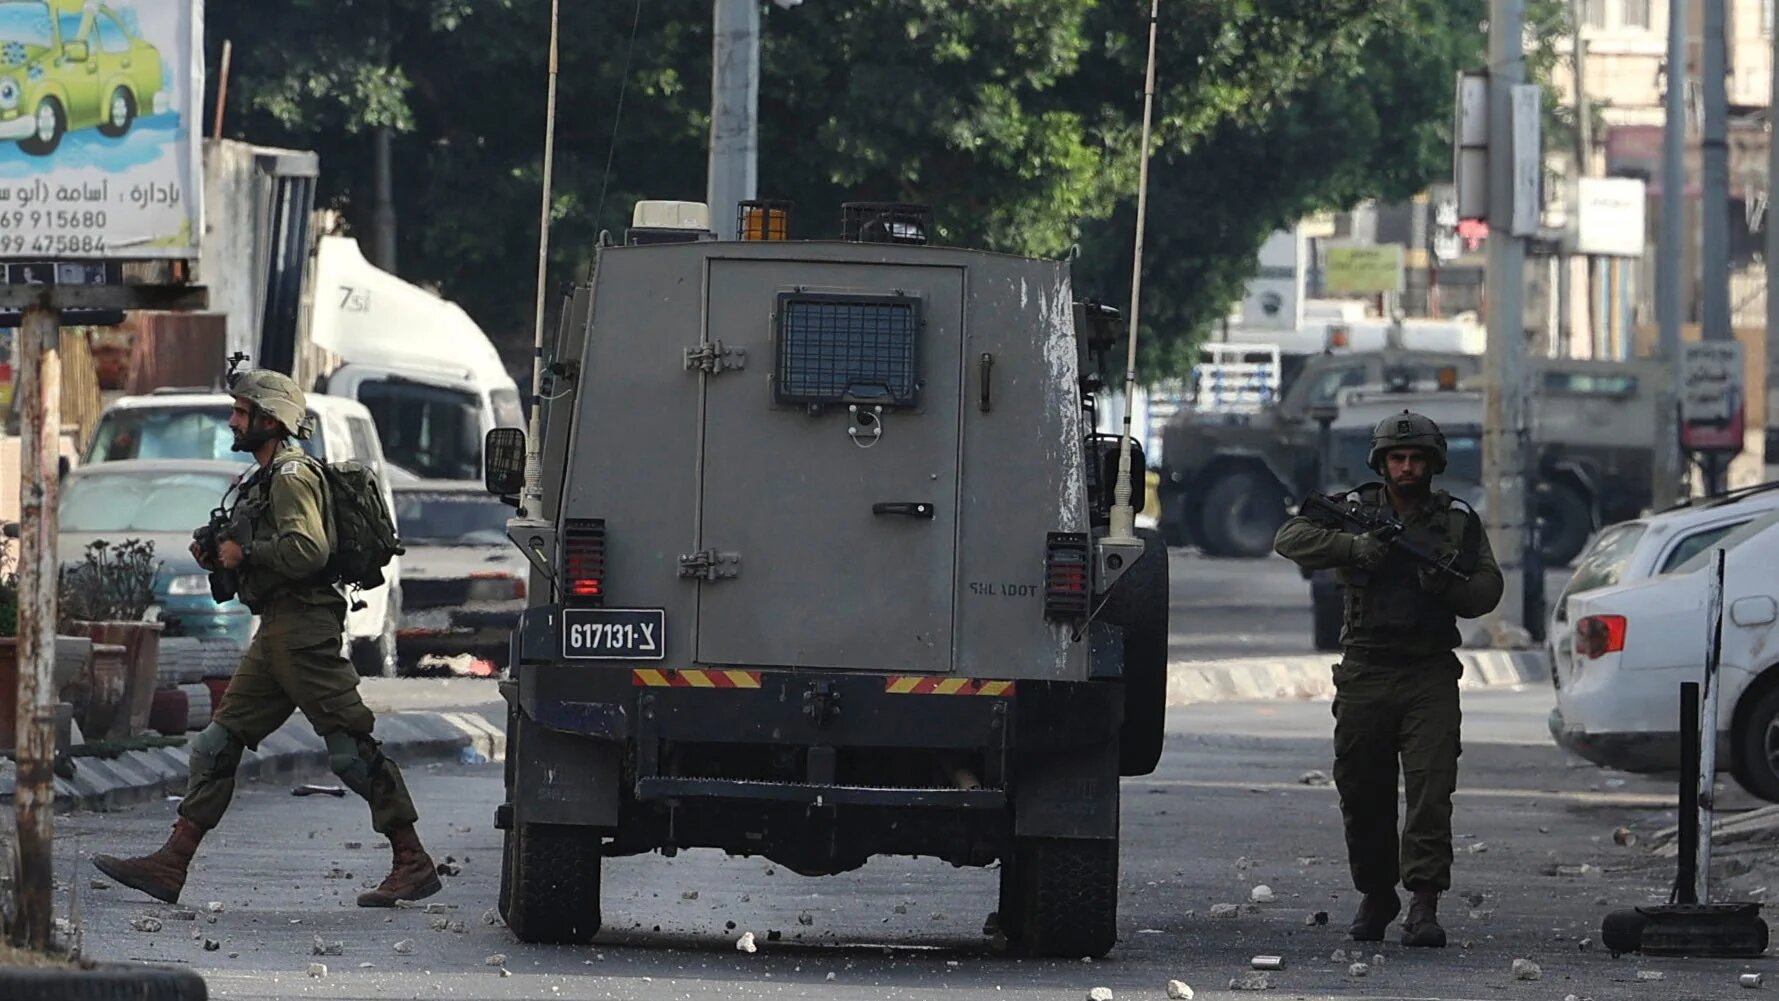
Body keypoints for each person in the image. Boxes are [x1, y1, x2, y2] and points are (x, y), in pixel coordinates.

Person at [93, 370, 442, 908]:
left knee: (351, 749)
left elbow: (308, 552)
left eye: (241, 411)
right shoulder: (261, 478)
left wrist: (246, 554)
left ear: (270, 420)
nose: (233, 420)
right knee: (217, 744)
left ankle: (411, 860)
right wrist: (222, 555)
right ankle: (172, 864)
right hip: (278, 629)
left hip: (303, 632)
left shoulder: (291, 476)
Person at [1272, 410, 1503, 948]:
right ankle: (1377, 892)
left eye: (1416, 458)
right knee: (1362, 788)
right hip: (1366, 671)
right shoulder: (1352, 513)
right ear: (1382, 462)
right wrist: (1355, 548)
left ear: (1432, 464)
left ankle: (1424, 902)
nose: (1406, 466)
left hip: (1428, 673)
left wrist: (1443, 582)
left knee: (1430, 788)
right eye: (1397, 458)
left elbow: (1486, 591)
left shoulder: (1454, 523)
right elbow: (1291, 537)